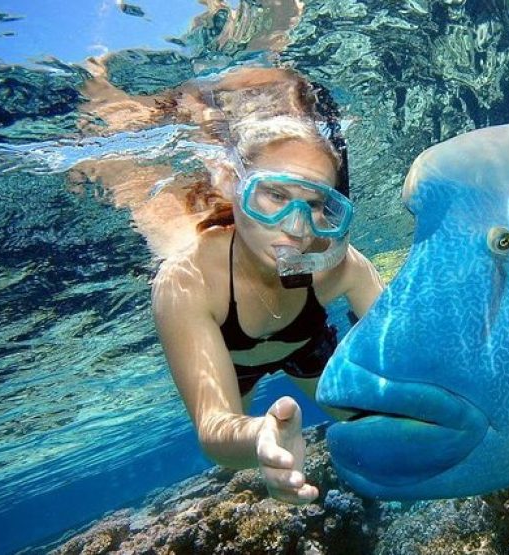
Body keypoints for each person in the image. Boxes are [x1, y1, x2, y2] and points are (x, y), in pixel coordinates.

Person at [151, 66, 384, 504]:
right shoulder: (190, 281)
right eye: (275, 196)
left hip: (304, 342)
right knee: (231, 458)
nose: (295, 230)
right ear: (230, 181)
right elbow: (215, 428)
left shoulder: (337, 266)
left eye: (316, 204)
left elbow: (406, 345)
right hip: (236, 363)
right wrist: (260, 436)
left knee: (361, 417)